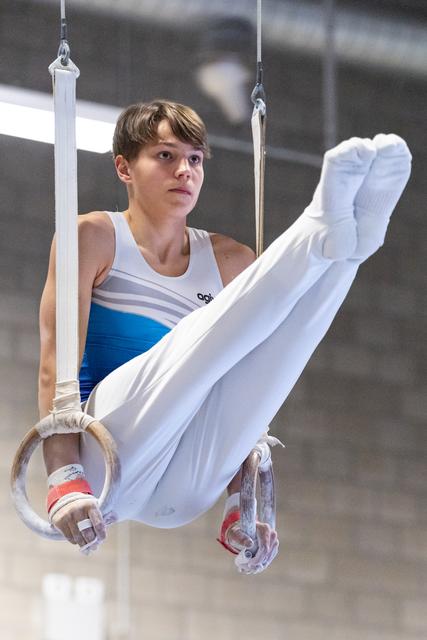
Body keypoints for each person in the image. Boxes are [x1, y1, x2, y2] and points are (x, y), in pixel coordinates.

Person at [38, 99, 411, 574]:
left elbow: (244, 398)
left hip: (183, 493)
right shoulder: (92, 237)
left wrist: (244, 502)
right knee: (198, 350)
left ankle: (348, 252)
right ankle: (316, 230)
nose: (185, 171)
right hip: (107, 454)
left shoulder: (231, 260)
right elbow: (55, 361)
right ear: (124, 167)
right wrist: (63, 475)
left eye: (195, 159)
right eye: (166, 155)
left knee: (279, 354)